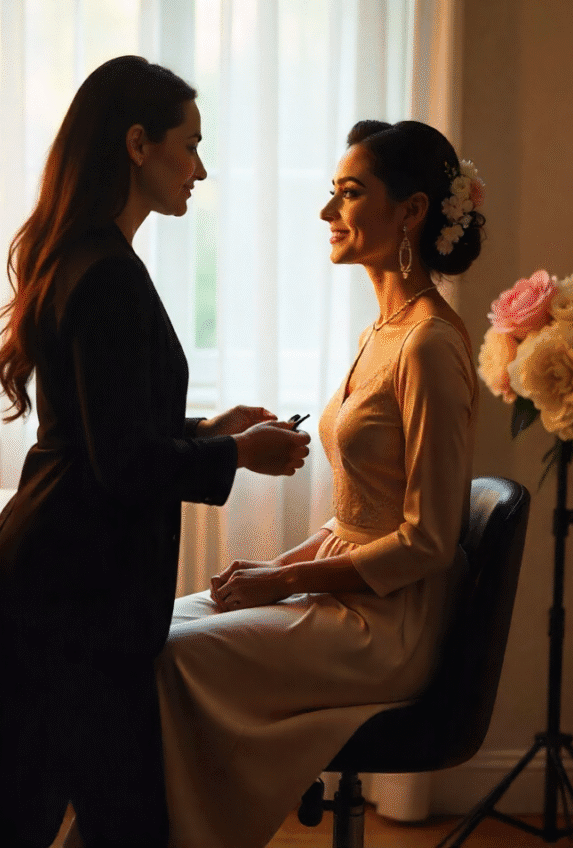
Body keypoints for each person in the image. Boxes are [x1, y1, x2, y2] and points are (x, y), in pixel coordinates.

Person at [0, 55, 310, 848]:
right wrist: (236, 457)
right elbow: (121, 464)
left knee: (26, 811)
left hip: (60, 584)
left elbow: (106, 433)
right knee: (103, 821)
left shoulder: (84, 257)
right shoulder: (109, 275)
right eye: (189, 144)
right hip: (78, 594)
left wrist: (210, 431)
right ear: (136, 144)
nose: (201, 167)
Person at [154, 119, 485, 848]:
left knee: (175, 657)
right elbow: (355, 517)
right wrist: (281, 568)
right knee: (154, 629)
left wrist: (280, 586)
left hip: (389, 624)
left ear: (412, 211)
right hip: (349, 590)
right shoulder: (382, 332)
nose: (327, 213)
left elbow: (427, 542)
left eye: (349, 193)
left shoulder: (429, 344)